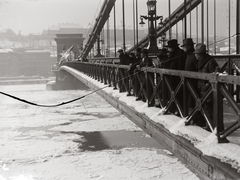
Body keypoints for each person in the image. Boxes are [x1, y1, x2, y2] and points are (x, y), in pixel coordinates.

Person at [194, 43, 225, 132]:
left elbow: (215, 75)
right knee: (207, 108)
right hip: (204, 89)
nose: (195, 55)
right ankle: (210, 126)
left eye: (196, 53)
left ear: (199, 54)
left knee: (211, 108)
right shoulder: (205, 61)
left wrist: (207, 86)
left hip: (209, 90)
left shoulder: (210, 62)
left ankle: (214, 128)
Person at [166, 39, 187, 115]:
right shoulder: (173, 54)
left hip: (177, 78)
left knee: (178, 95)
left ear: (172, 47)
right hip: (172, 78)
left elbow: (180, 66)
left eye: (169, 47)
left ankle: (179, 110)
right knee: (173, 93)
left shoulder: (180, 53)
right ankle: (173, 109)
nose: (168, 49)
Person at [181, 38, 198, 114]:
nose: (183, 49)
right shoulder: (189, 55)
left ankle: (195, 118)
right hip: (189, 82)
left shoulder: (194, 56)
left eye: (184, 47)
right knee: (190, 101)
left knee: (193, 101)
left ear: (187, 47)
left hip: (193, 82)